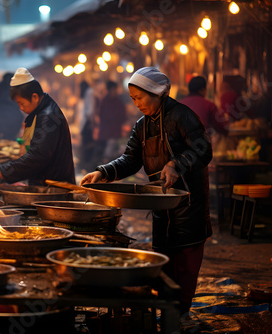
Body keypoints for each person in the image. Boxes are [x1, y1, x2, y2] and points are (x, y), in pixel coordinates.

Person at [80, 67, 213, 317]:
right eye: (132, 99)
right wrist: (103, 172)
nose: (136, 104)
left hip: (189, 205)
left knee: (185, 265)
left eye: (139, 97)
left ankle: (180, 315)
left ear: (157, 93)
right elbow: (130, 159)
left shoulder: (183, 116)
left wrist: (176, 164)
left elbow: (203, 150)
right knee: (162, 262)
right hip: (161, 206)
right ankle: (167, 313)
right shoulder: (142, 126)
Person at [0, 67, 75, 185]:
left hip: (54, 187)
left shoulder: (48, 116)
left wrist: (6, 171)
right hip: (46, 182)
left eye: (22, 103)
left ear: (35, 97)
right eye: (18, 104)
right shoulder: (41, 111)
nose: (21, 108)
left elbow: (38, 156)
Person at [96, 80, 127, 164]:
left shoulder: (118, 101)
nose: (115, 91)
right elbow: (105, 116)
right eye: (114, 89)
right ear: (109, 90)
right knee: (107, 156)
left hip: (115, 133)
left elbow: (123, 115)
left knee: (114, 155)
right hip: (107, 133)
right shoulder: (105, 101)